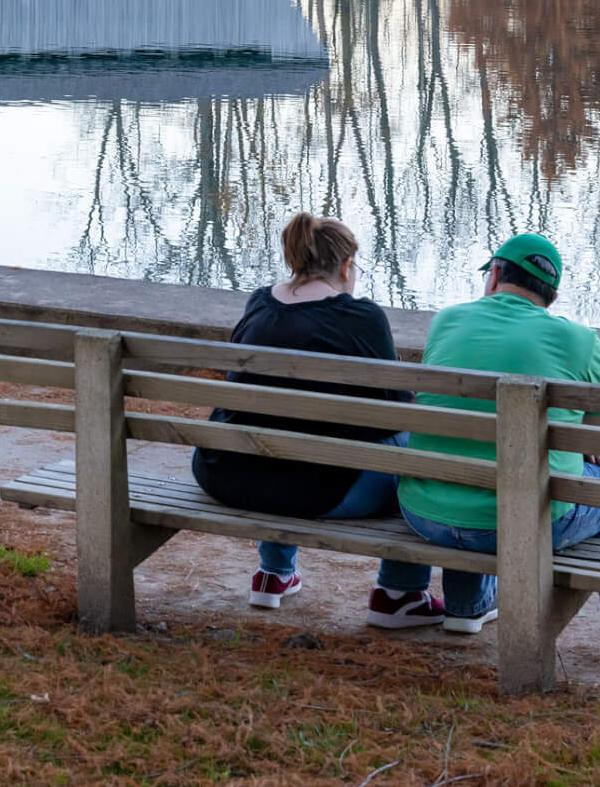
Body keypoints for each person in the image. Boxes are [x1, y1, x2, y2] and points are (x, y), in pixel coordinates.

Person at [397, 234, 600, 664]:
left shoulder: (446, 322)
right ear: (550, 296)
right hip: (521, 523)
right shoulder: (579, 341)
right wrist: (577, 441)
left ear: (494, 275)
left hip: (426, 514)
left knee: (470, 463)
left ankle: (466, 606)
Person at [190, 213, 446, 629]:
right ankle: (399, 594)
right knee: (411, 449)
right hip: (321, 492)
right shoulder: (362, 318)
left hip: (225, 473)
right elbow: (396, 412)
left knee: (279, 436)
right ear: (346, 266)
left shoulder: (259, 302)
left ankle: (273, 573)